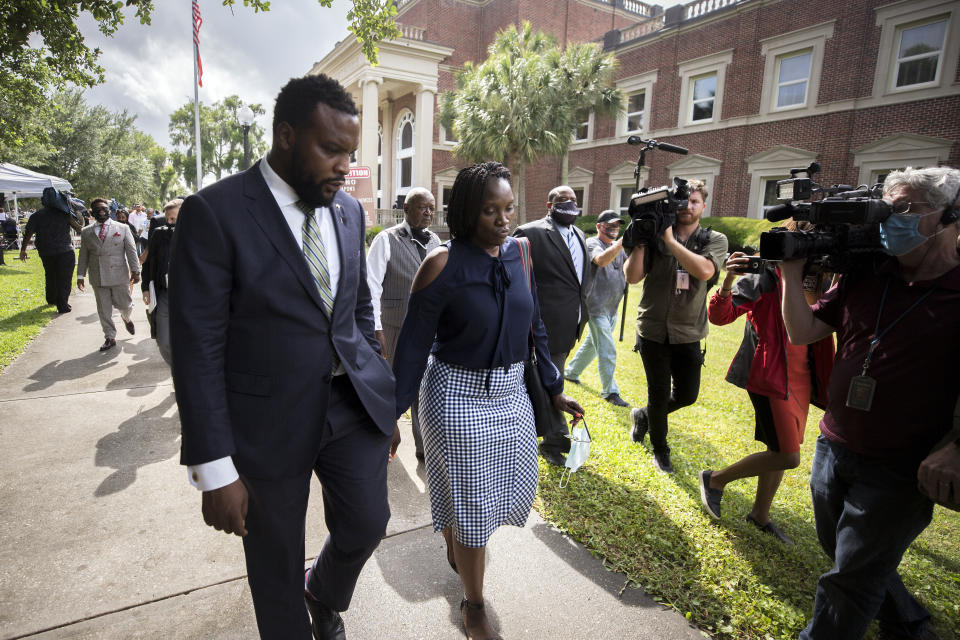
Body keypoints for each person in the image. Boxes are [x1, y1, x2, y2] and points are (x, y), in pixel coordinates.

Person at [168, 74, 398, 640]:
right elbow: (196, 348)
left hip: (349, 405)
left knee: (369, 521)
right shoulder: (214, 212)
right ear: (286, 135)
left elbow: (358, 312)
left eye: (351, 152)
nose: (345, 166)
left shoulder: (348, 212)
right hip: (265, 425)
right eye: (332, 150)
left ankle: (322, 592)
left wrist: (379, 400)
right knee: (273, 571)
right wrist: (215, 467)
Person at [392, 162, 583, 640]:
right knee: (473, 505)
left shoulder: (521, 252)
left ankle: (461, 547)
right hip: (455, 395)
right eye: (489, 211)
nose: (502, 219)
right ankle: (474, 603)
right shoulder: (440, 264)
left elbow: (535, 324)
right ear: (466, 214)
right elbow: (412, 349)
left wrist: (554, 387)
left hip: (511, 395)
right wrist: (387, 419)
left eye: (508, 208)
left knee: (494, 497)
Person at [781, 167, 960, 640]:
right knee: (842, 550)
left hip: (901, 466)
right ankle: (908, 624)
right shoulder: (868, 271)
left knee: (850, 579)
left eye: (904, 209)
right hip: (835, 445)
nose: (889, 221)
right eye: (885, 209)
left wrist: (956, 447)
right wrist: (790, 274)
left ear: (951, 215)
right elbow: (803, 331)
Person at [698, 229, 834, 544]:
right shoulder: (764, 273)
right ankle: (715, 479)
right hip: (771, 375)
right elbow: (720, 316)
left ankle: (760, 514)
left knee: (781, 450)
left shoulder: (819, 274)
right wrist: (729, 281)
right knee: (788, 456)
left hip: (802, 377)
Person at [622, 179, 728, 473]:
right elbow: (632, 277)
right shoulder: (653, 237)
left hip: (688, 331)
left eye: (694, 201)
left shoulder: (713, 240)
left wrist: (670, 241)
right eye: (683, 201)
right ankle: (660, 450)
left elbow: (705, 271)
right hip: (653, 329)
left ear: (703, 206)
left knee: (687, 395)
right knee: (658, 393)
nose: (688, 207)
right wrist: (644, 241)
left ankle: (644, 416)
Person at [512, 185, 593, 466]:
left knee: (550, 377)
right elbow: (516, 275)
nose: (569, 204)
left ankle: (546, 433)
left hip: (572, 322)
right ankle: (554, 440)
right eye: (562, 200)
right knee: (552, 379)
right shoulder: (530, 233)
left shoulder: (581, 235)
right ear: (549, 205)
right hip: (543, 323)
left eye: (573, 200)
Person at [365, 186, 441, 460]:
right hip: (394, 328)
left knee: (423, 389)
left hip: (429, 332)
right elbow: (370, 285)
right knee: (390, 389)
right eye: (423, 207)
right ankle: (382, 442)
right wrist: (375, 327)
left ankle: (424, 450)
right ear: (406, 209)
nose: (428, 213)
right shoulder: (386, 240)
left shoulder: (436, 242)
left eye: (432, 208)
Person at [564, 210, 629, 407]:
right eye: (609, 225)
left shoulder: (620, 249)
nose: (614, 229)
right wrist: (621, 243)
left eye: (617, 226)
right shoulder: (592, 243)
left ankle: (571, 372)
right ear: (599, 226)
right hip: (595, 306)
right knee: (607, 349)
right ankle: (610, 391)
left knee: (592, 345)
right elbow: (600, 261)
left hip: (612, 308)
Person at [76, 198, 140, 351]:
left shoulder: (122, 228)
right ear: (92, 212)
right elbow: (83, 255)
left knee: (125, 304)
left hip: (119, 274)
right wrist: (80, 276)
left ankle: (126, 317)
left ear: (109, 210)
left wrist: (136, 271)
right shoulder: (86, 232)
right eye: (97, 209)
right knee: (104, 310)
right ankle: (109, 337)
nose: (102, 211)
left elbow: (131, 251)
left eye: (104, 208)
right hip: (98, 276)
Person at [20, 187, 82, 313]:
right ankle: (62, 304)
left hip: (46, 250)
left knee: (50, 274)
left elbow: (28, 234)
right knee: (64, 277)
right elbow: (80, 228)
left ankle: (52, 298)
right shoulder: (65, 214)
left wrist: (23, 250)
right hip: (65, 250)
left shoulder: (36, 216)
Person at [141, 198, 181, 366]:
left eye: (174, 219)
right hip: (164, 293)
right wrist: (145, 288)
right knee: (163, 340)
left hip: (191, 296)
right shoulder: (159, 234)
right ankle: (177, 369)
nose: (171, 223)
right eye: (168, 219)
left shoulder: (201, 234)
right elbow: (149, 262)